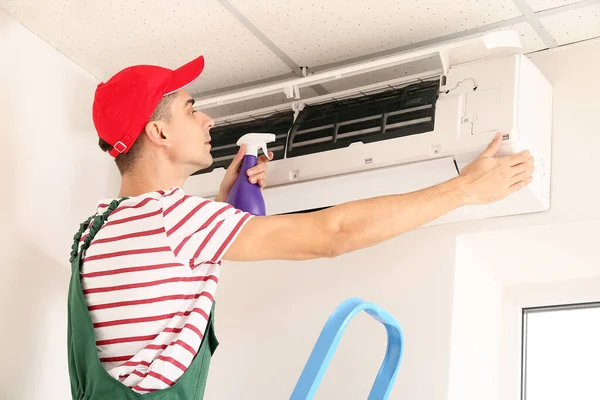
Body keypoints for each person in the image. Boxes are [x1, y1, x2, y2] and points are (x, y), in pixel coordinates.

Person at [67, 55, 534, 399]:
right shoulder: (176, 219)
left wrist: (218, 207)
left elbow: (157, 282)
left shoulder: (97, 230)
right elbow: (332, 235)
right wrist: (463, 191)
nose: (206, 117)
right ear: (159, 132)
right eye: (191, 109)